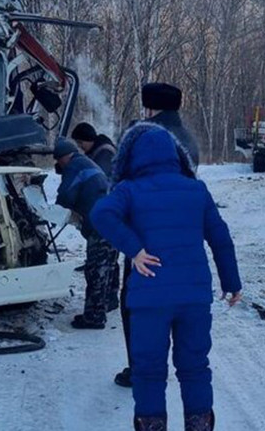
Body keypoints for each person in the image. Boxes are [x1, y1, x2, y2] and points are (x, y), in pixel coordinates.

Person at [91, 123, 242, 431]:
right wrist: (232, 283)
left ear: (133, 157)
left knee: (148, 371)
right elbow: (220, 238)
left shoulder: (129, 189)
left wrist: (134, 250)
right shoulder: (196, 189)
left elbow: (100, 214)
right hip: (194, 299)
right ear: (176, 155)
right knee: (195, 367)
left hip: (149, 299)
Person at [114, 82, 202, 388]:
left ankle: (142, 370)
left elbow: (123, 182)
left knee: (136, 304)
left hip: (145, 236)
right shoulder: (190, 139)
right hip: (183, 238)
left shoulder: (142, 135)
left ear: (150, 107)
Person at [54, 138, 119, 329]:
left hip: (100, 222)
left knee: (96, 269)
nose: (59, 165)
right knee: (109, 264)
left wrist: (55, 210)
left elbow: (66, 196)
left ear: (65, 156)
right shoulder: (87, 162)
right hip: (114, 217)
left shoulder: (75, 166)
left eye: (59, 161)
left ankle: (94, 317)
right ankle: (110, 300)